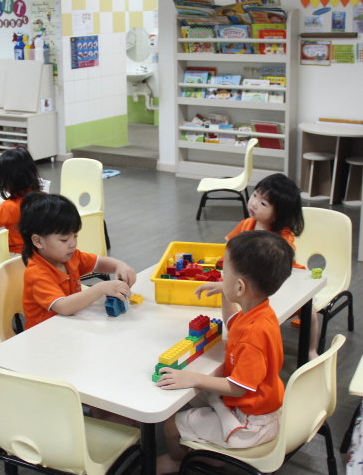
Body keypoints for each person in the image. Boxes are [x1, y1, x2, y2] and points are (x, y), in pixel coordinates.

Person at [155, 231, 294, 475]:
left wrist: (194, 378)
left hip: (250, 422)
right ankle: (212, 450)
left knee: (170, 425)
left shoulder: (254, 336)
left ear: (240, 287)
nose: (222, 276)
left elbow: (239, 387)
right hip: (257, 406)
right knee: (191, 398)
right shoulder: (259, 311)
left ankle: (177, 461)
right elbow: (233, 321)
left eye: (225, 273)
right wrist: (224, 291)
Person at [224, 173, 316, 356]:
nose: (254, 203)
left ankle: (311, 349)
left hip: (283, 278)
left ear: (277, 215)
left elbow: (281, 267)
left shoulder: (282, 237)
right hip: (253, 279)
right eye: (255, 195)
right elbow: (230, 246)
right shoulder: (247, 224)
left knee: (310, 311)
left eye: (263, 203)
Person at [18, 192, 136, 330]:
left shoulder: (70, 256)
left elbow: (99, 263)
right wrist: (101, 288)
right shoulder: (37, 273)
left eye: (75, 236)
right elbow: (64, 307)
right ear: (38, 241)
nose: (72, 244)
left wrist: (120, 266)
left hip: (71, 325)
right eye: (64, 239)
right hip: (45, 334)